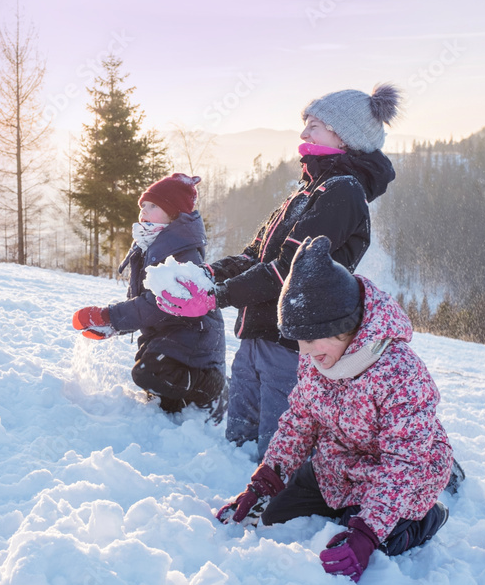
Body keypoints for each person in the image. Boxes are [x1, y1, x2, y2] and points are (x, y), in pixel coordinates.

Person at [155, 83, 401, 459]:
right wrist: (204, 276)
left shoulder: (341, 192)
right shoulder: (307, 189)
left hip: (292, 345)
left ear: (343, 135)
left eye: (315, 124)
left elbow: (290, 269)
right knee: (237, 445)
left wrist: (216, 298)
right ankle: (236, 503)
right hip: (257, 335)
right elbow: (255, 255)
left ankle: (276, 513)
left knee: (276, 451)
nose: (304, 133)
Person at [216, 236, 454, 583]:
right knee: (274, 516)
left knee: (378, 542)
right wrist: (262, 485)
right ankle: (349, 510)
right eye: (299, 341)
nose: (306, 352)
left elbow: (402, 463)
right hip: (338, 464)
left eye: (312, 340)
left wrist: (366, 533)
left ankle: (428, 517)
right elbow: (298, 423)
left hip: (402, 474)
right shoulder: (318, 360)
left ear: (342, 327)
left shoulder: (400, 372)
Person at [72, 173, 227, 419]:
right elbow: (140, 297)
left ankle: (213, 384)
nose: (144, 210)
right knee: (160, 394)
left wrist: (109, 316)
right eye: (143, 205)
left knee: (148, 373)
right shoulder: (149, 244)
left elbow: (157, 305)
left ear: (174, 212)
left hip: (193, 336)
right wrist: (115, 327)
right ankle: (184, 400)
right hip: (168, 333)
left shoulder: (181, 253)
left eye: (153, 205)